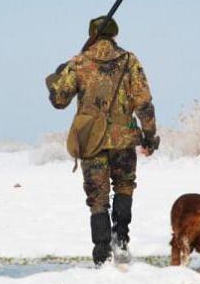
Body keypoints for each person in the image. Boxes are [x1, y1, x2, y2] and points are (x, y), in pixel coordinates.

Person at [45, 16, 159, 265]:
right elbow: (144, 103)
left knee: (97, 198)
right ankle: (121, 242)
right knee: (124, 187)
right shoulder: (130, 60)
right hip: (124, 139)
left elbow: (59, 100)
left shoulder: (80, 62)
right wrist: (149, 136)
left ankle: (101, 254)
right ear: (114, 34)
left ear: (92, 34)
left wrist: (58, 75)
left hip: (91, 141)